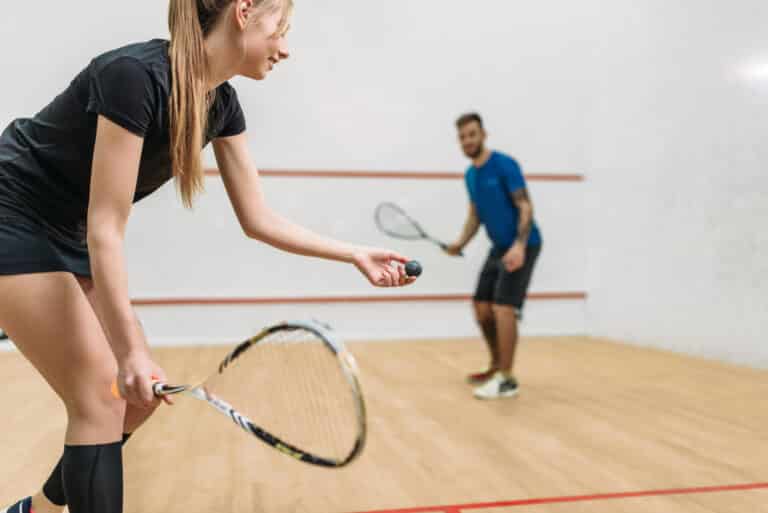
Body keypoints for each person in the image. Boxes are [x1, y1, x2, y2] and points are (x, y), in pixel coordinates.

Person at [0, 2, 417, 513]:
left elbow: (258, 219)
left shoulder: (221, 105)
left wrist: (354, 253)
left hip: (67, 230)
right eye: (280, 29)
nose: (285, 48)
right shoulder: (132, 76)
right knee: (102, 397)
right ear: (243, 11)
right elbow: (106, 228)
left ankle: (33, 511)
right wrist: (130, 353)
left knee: (132, 403)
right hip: (11, 214)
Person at [445, 113, 542, 400]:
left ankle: (507, 379)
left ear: (483, 134)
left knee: (503, 308)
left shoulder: (504, 164)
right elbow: (475, 215)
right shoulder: (471, 175)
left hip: (523, 244)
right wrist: (460, 242)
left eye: (472, 134)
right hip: (498, 247)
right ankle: (496, 366)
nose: (467, 141)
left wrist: (519, 246)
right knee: (482, 308)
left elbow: (525, 206)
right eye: (462, 137)